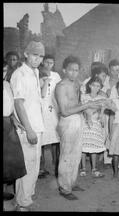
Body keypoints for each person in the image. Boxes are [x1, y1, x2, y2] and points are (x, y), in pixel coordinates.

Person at [55, 55, 107, 200]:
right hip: (68, 121)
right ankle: (64, 188)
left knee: (76, 154)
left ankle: (71, 182)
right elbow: (65, 111)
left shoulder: (77, 84)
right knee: (66, 155)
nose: (74, 73)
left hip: (78, 119)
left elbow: (82, 100)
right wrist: (88, 105)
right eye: (71, 70)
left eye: (76, 70)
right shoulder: (61, 86)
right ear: (64, 70)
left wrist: (92, 107)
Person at [10, 41, 45, 211]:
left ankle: (26, 197)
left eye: (41, 56)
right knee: (27, 165)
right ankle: (22, 203)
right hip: (27, 128)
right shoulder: (20, 74)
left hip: (37, 126)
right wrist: (29, 129)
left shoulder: (35, 72)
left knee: (34, 165)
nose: (38, 59)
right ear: (26, 54)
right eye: (34, 55)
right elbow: (18, 103)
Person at [3, 60, 26, 204]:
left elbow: (10, 107)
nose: (3, 73)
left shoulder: (7, 84)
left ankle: (4, 190)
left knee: (8, 162)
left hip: (8, 124)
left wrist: (15, 120)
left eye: (4, 70)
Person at [80, 77, 109, 178]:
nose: (95, 88)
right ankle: (83, 167)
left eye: (98, 86)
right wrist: (88, 116)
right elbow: (84, 108)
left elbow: (102, 112)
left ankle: (94, 168)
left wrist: (101, 117)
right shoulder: (84, 96)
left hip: (95, 123)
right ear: (89, 85)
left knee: (94, 147)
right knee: (83, 147)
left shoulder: (101, 99)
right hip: (85, 123)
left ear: (100, 87)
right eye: (93, 85)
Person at [38, 54, 61, 178]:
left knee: (55, 139)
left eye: (51, 63)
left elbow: (58, 92)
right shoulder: (37, 73)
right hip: (41, 108)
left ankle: (57, 166)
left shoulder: (56, 76)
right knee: (41, 138)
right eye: (46, 62)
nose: (48, 65)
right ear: (43, 62)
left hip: (53, 108)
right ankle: (41, 168)